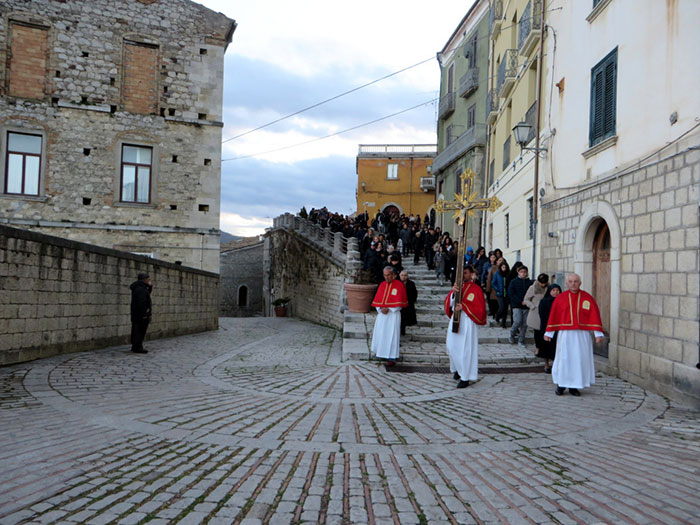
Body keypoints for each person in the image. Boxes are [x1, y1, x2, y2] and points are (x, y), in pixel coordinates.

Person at [544, 274, 604, 396]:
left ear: (580, 283)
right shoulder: (560, 298)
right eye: (570, 281)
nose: (573, 284)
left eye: (575, 281)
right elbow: (554, 316)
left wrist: (598, 334)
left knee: (579, 360)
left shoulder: (587, 298)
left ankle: (574, 386)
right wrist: (549, 332)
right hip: (565, 335)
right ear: (567, 283)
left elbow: (594, 316)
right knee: (564, 359)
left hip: (582, 335)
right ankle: (561, 385)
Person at [444, 265, 487, 388]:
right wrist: (453, 294)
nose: (463, 275)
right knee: (451, 346)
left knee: (465, 350)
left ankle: (465, 377)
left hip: (468, 322)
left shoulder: (476, 289)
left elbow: (480, 309)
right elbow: (448, 303)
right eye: (461, 273)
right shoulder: (458, 287)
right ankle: (457, 368)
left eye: (466, 273)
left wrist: (464, 307)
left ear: (471, 274)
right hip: (456, 320)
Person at [370, 266, 408, 366]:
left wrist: (390, 308)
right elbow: (378, 300)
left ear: (394, 275)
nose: (386, 277)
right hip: (382, 315)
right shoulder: (382, 285)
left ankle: (392, 357)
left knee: (392, 335)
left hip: (393, 315)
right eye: (385, 275)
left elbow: (400, 302)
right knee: (381, 334)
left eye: (388, 275)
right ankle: (380, 353)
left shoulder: (399, 285)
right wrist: (380, 308)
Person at [524, 273, 549, 359]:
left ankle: (545, 349)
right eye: (541, 282)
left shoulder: (548, 288)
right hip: (536, 312)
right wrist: (533, 306)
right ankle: (538, 348)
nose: (543, 284)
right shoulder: (533, 288)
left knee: (545, 331)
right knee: (537, 332)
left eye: (544, 282)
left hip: (546, 311)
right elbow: (526, 299)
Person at [538, 283, 561, 373]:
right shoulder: (544, 301)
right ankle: (547, 364)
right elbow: (542, 314)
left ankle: (557, 364)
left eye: (557, 290)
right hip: (546, 326)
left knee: (557, 347)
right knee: (546, 346)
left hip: (559, 327)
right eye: (553, 290)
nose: (556, 292)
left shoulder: (561, 301)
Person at [507, 265, 533, 347]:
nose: (523, 273)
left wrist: (528, 302)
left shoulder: (530, 282)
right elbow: (511, 293)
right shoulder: (514, 282)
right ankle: (512, 333)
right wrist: (519, 301)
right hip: (516, 305)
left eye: (525, 272)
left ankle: (521, 340)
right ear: (518, 272)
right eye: (521, 272)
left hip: (526, 306)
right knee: (517, 320)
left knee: (524, 324)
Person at [130, 273, 153, 354]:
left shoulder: (139, 287)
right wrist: (145, 314)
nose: (149, 281)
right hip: (140, 315)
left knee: (137, 330)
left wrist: (150, 287)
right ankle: (138, 347)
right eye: (148, 279)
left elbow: (147, 294)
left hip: (137, 314)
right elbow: (142, 302)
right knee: (139, 331)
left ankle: (136, 346)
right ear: (145, 279)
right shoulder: (140, 289)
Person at [399, 270, 417, 336]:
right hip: (399, 303)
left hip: (408, 303)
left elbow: (414, 293)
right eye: (402, 275)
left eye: (405, 275)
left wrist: (412, 301)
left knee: (405, 318)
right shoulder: (397, 283)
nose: (403, 277)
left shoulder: (411, 283)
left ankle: (403, 331)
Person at [492, 261, 509, 328]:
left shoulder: (508, 274)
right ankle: (497, 316)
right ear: (500, 267)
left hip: (507, 294)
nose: (504, 268)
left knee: (505, 309)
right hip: (500, 293)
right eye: (503, 267)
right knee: (501, 308)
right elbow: (493, 283)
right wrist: (497, 289)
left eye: (505, 267)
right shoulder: (497, 274)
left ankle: (503, 323)